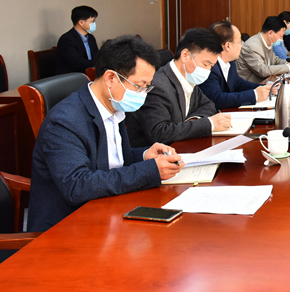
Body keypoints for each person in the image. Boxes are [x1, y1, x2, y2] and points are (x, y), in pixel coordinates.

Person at [29, 35, 183, 231]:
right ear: (111, 78)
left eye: (147, 87)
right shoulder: (64, 121)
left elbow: (110, 160)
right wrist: (150, 170)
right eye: (139, 86)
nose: (143, 93)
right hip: (67, 227)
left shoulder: (113, 105)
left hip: (106, 209)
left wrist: (145, 155)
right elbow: (78, 186)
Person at [126, 28, 231, 147]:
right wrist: (208, 124)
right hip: (154, 153)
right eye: (205, 64)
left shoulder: (189, 78)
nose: (207, 70)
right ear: (185, 55)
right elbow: (159, 133)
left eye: (211, 66)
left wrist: (193, 121)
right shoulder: (158, 86)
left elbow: (208, 105)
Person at [198, 21, 272, 111]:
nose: (242, 45)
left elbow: (238, 84)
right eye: (240, 41)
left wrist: (264, 88)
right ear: (228, 46)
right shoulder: (209, 66)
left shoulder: (230, 62)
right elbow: (216, 99)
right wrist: (254, 95)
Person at [237, 16, 290, 83]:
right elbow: (263, 70)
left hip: (266, 83)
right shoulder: (252, 46)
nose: (281, 39)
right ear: (270, 33)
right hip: (251, 87)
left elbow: (275, 60)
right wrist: (288, 67)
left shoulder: (269, 42)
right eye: (280, 36)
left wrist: (287, 63)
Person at [55, 5, 99, 75]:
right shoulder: (66, 39)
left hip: (89, 74)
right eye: (92, 21)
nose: (94, 24)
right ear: (81, 22)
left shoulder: (91, 38)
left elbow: (97, 56)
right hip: (72, 76)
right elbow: (77, 63)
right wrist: (100, 62)